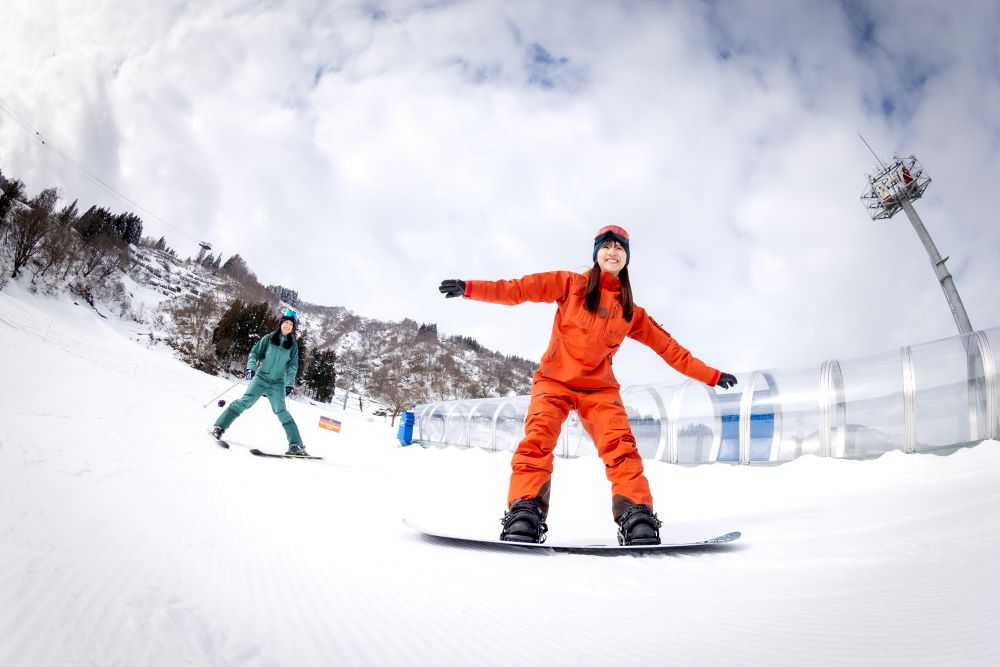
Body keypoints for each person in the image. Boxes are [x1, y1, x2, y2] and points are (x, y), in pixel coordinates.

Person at [438, 226, 737, 545]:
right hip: (553, 381)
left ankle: (635, 514)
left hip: (599, 390)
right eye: (606, 246)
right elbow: (518, 289)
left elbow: (670, 349)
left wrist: (712, 375)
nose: (612, 252)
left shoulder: (631, 312)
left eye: (619, 248)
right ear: (596, 254)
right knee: (537, 440)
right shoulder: (570, 284)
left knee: (621, 448)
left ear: (626, 259)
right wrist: (470, 288)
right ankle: (525, 510)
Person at [211, 309, 308, 456]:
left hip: (277, 383)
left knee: (282, 412)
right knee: (244, 402)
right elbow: (254, 353)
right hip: (261, 377)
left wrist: (289, 383)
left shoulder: (293, 345)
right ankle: (219, 427)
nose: (288, 326)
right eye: (286, 323)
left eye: (291, 325)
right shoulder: (268, 338)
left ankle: (296, 445)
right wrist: (250, 367)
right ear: (281, 323)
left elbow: (293, 366)